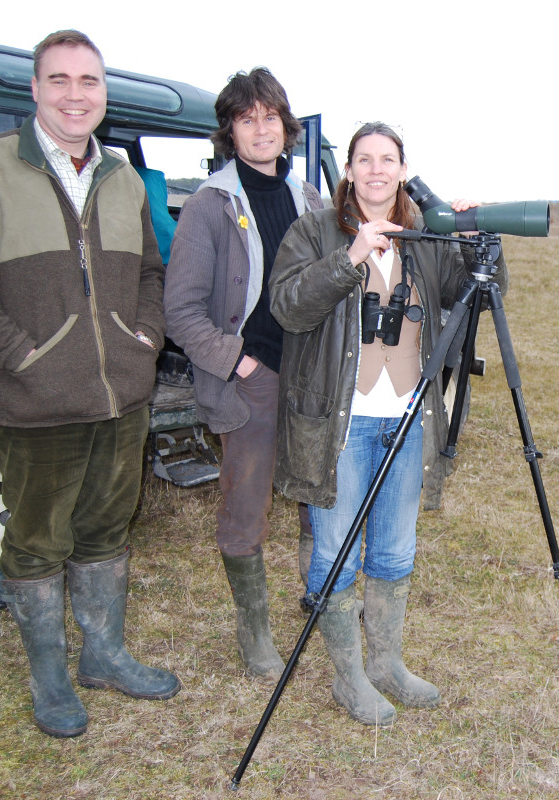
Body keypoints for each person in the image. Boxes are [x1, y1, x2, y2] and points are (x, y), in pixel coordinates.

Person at [0, 30, 180, 738]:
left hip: (121, 397)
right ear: (35, 89)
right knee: (37, 543)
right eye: (60, 80)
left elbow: (150, 272)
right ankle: (49, 678)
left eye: (89, 81)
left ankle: (104, 657)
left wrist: (145, 341)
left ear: (103, 94)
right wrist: (23, 356)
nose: (75, 95)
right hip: (32, 403)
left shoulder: (122, 178)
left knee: (106, 529)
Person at [269, 122, 508, 724]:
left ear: (403, 170)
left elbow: (481, 295)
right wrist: (350, 258)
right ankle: (348, 677)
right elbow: (287, 308)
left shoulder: (426, 236)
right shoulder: (313, 230)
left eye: (388, 159)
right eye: (365, 159)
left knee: (396, 550)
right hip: (339, 423)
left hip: (407, 418)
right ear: (348, 170)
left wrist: (478, 244)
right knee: (336, 551)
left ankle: (385, 663)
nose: (376, 170)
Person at [164, 68, 323, 682]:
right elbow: (181, 310)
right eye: (246, 118)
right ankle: (254, 631)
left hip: (313, 377)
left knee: (318, 491)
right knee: (246, 504)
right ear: (230, 131)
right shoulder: (210, 206)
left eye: (270, 117)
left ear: (286, 126)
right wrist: (239, 361)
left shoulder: (311, 200)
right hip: (252, 377)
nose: (261, 130)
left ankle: (321, 595)